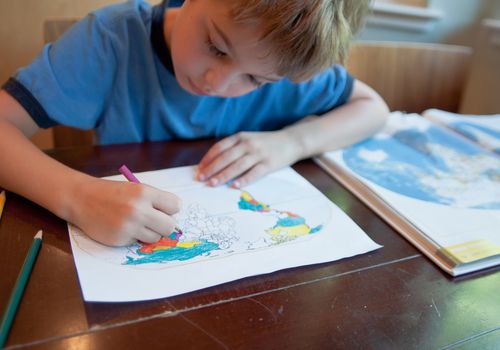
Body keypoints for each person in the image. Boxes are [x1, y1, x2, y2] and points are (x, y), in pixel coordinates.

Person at [0, 0, 388, 246]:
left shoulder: (284, 60)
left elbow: (373, 108)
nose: (216, 83)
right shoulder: (111, 39)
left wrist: (292, 142)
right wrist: (77, 196)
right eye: (216, 46)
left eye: (255, 80)